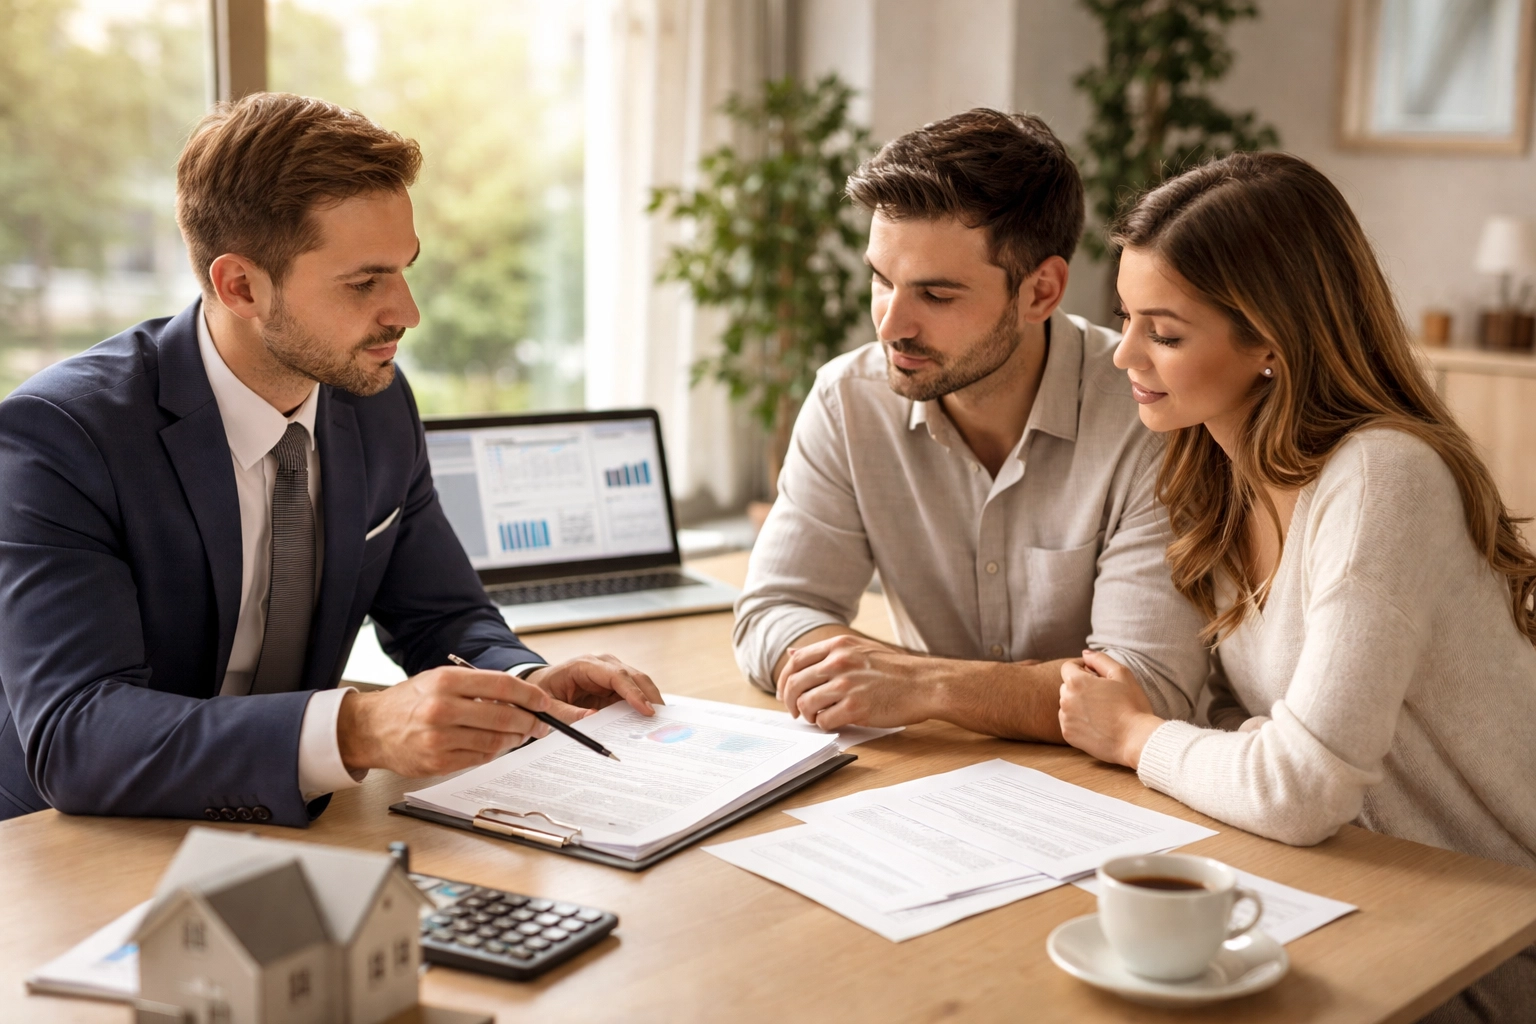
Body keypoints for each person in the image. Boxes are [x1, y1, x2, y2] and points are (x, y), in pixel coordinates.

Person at [0, 92, 660, 827]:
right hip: (82, 839)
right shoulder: (60, 437)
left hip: (295, 824)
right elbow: (75, 738)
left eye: (405, 270)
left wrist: (527, 682)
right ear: (240, 285)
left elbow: (440, 614)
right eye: (365, 281)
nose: (407, 312)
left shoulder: (373, 400)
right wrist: (359, 728)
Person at [1056, 151, 1536, 1021]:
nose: (1125, 352)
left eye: (1164, 333)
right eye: (1124, 317)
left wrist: (1134, 735)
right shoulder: (1216, 477)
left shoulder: (1382, 478)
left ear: (1270, 341)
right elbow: (1263, 735)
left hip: (1497, 941)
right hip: (1372, 895)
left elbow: (1302, 782)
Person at [733, 109, 1208, 739]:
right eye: (881, 280)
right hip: (932, 779)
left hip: (1111, 793)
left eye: (935, 295)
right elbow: (775, 610)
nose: (890, 325)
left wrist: (924, 686)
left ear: (1041, 292)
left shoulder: (1148, 415)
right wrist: (960, 691)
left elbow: (1146, 686)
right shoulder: (848, 399)